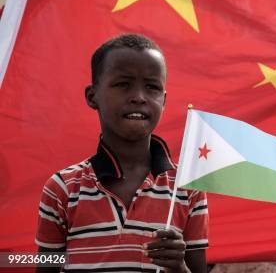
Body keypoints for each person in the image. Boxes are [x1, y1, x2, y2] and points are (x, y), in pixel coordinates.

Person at [35, 34, 208, 272]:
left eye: (152, 87)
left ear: (164, 100)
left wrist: (179, 267)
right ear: (92, 96)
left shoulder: (187, 187)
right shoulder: (63, 188)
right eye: (123, 84)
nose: (139, 97)